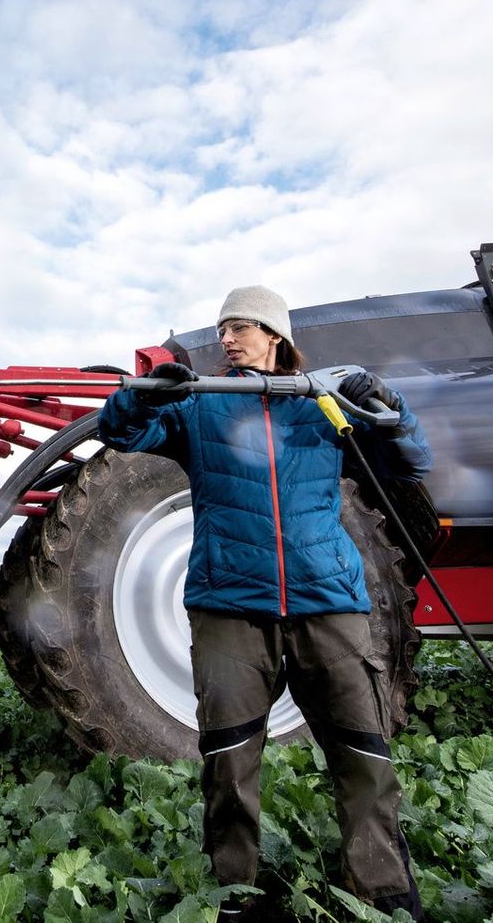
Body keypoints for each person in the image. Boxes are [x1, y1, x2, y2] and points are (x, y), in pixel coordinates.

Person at [99, 285, 431, 920]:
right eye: (224, 328)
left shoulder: (323, 407)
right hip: (230, 607)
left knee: (363, 755)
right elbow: (124, 431)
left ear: (275, 336)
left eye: (241, 326)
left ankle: (384, 892)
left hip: (327, 602)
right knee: (229, 764)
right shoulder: (203, 410)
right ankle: (235, 896)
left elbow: (409, 459)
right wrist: (141, 392)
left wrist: (389, 406)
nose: (227, 337)